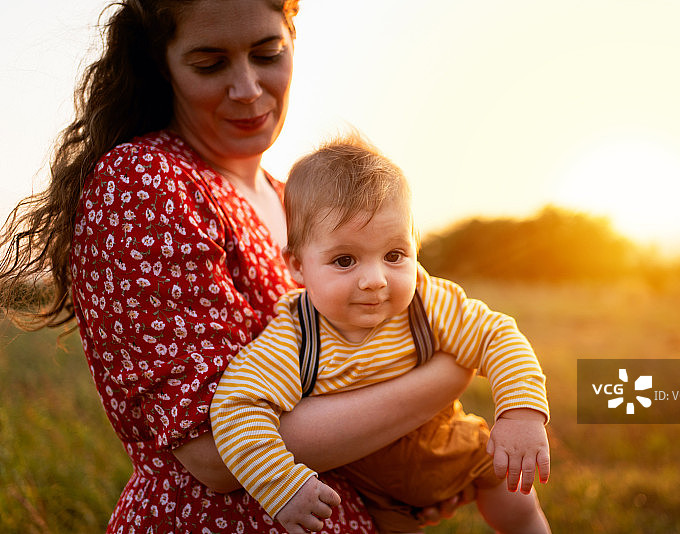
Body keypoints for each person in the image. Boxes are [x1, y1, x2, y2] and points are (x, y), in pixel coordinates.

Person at [0, 1, 479, 532]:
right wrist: (449, 373)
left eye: (268, 54)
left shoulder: (299, 200)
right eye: (210, 64)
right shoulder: (144, 184)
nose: (248, 88)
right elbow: (212, 452)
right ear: (162, 64)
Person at [211, 134, 552, 534]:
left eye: (394, 255)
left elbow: (498, 336)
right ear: (298, 266)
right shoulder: (296, 337)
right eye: (345, 260)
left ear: (415, 246)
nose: (375, 279)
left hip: (455, 448)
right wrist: (283, 485)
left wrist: (520, 413)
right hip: (375, 495)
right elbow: (236, 407)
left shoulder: (426, 303)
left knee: (517, 501)